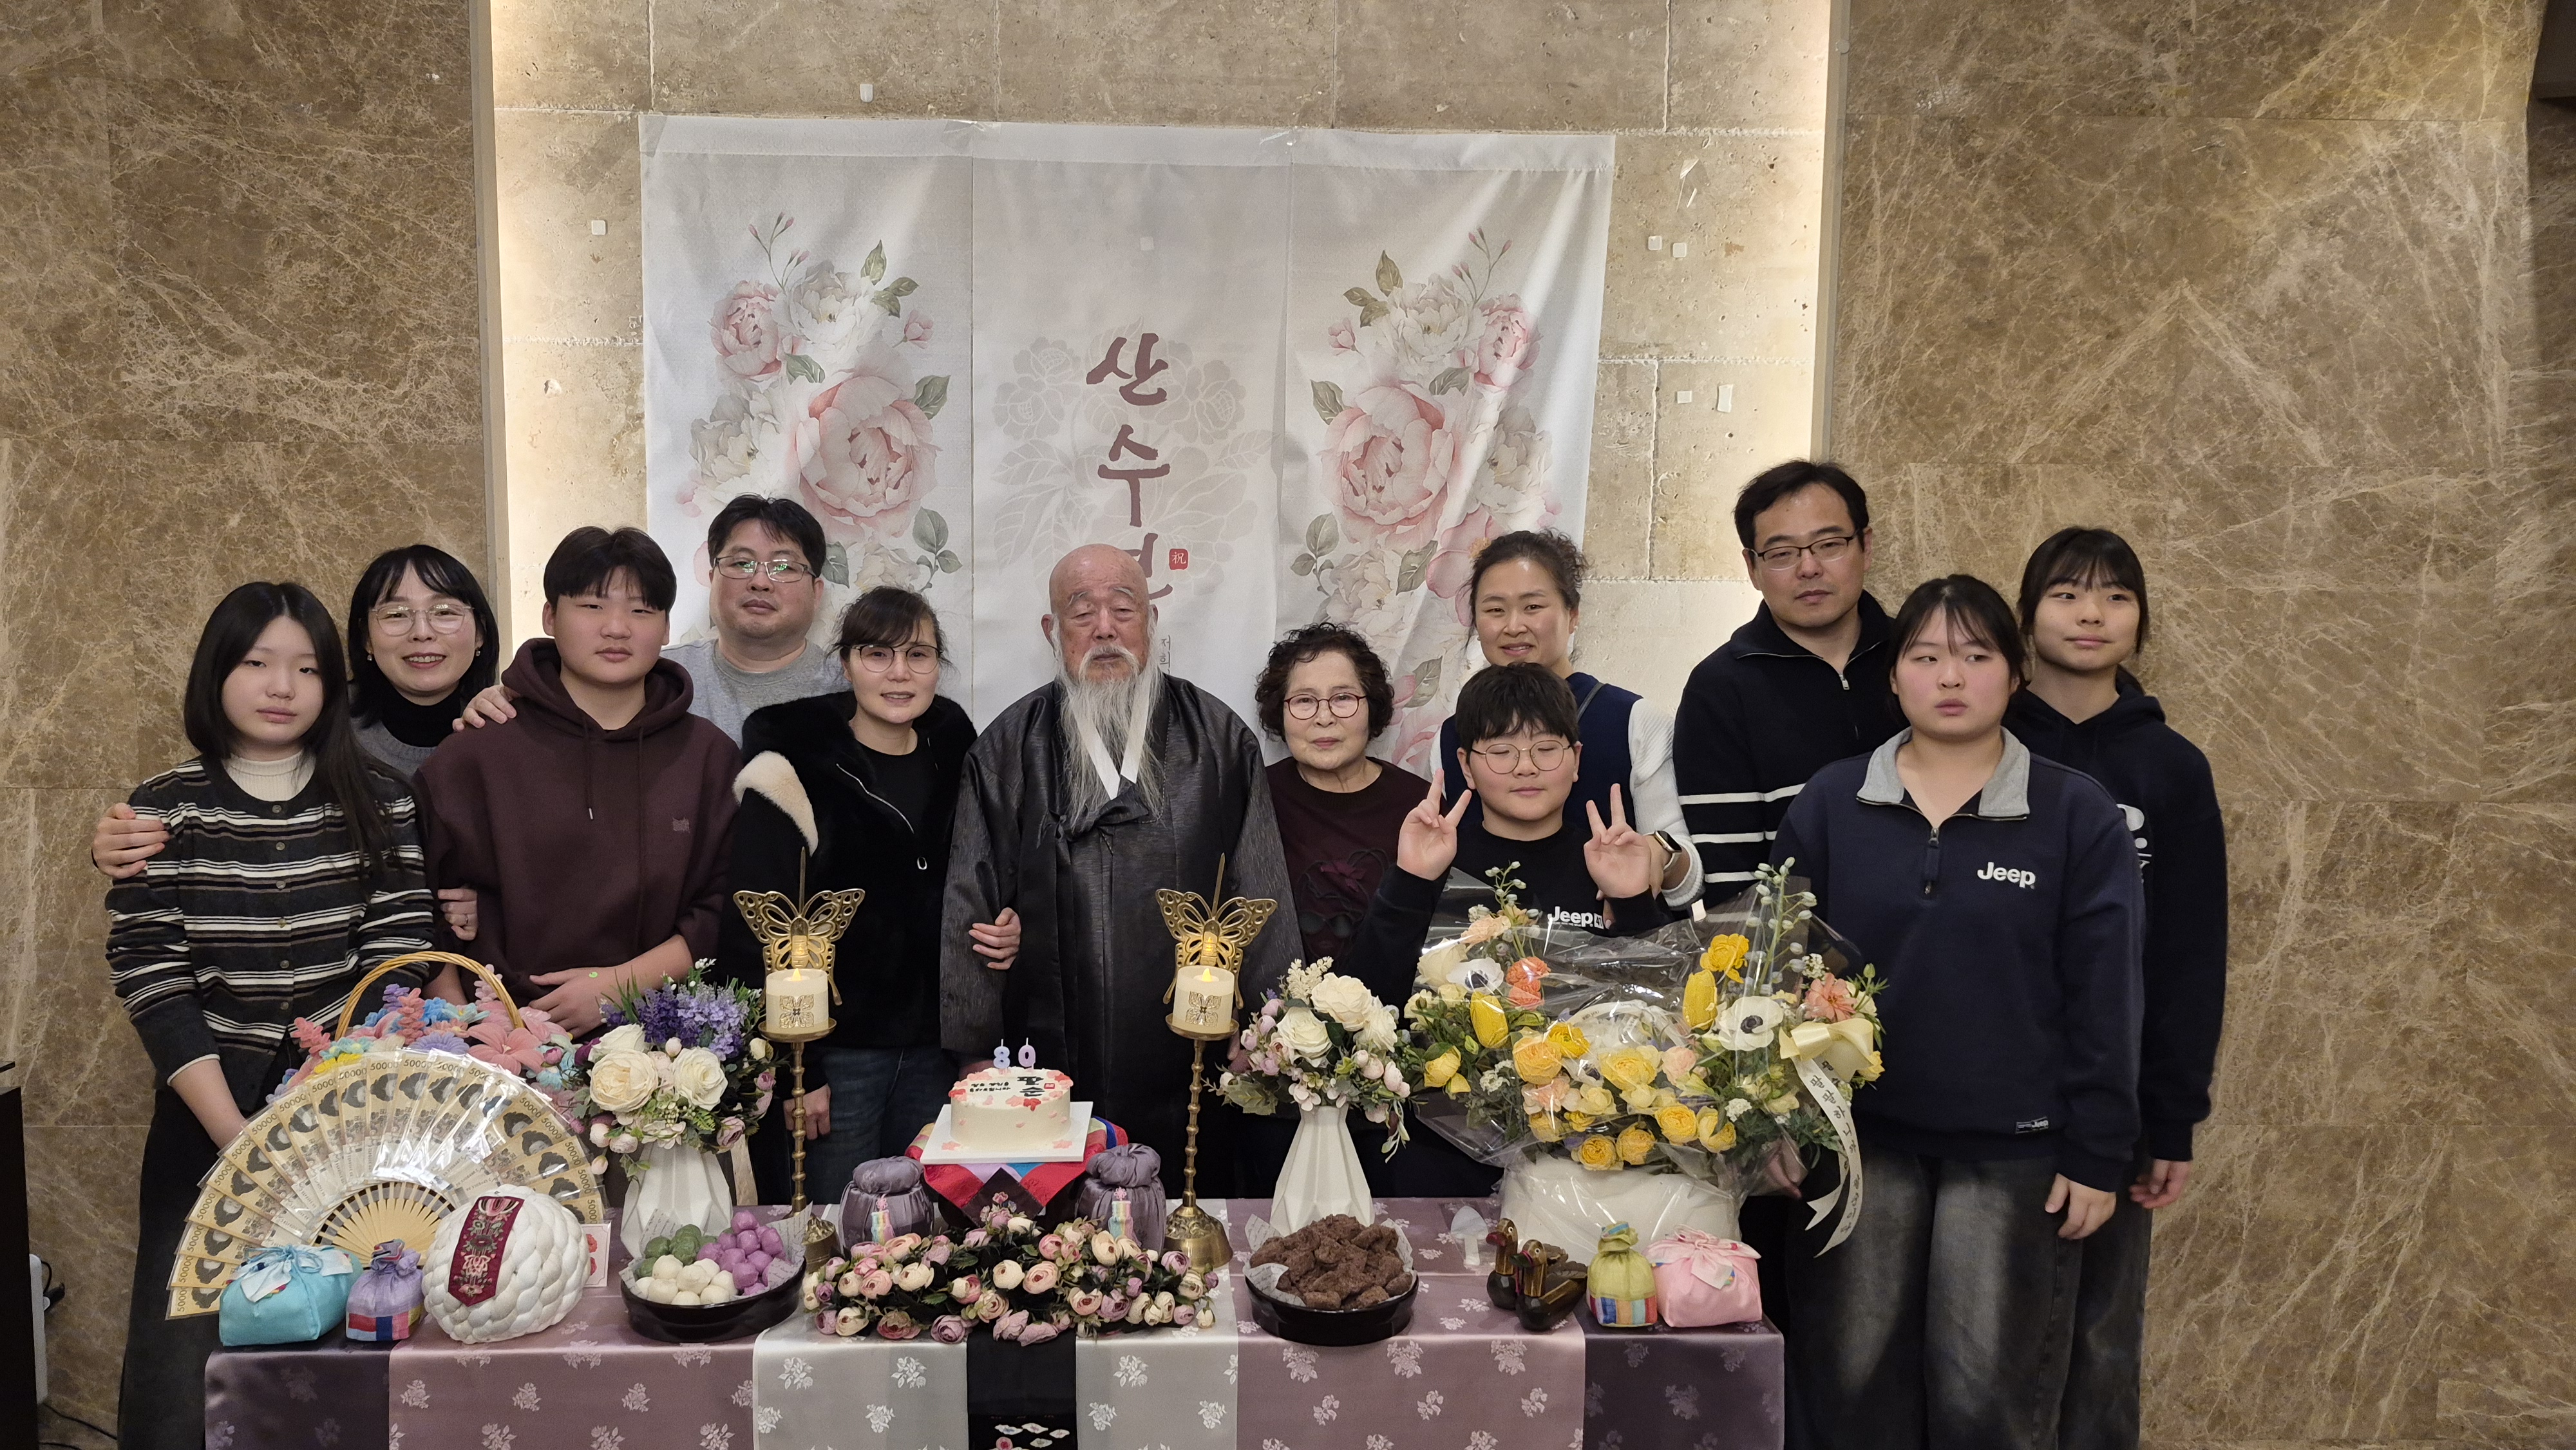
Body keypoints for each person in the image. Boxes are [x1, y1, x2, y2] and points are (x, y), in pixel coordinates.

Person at [1770, 575, 2143, 1450]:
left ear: (2015, 673)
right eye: (1926, 655)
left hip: (2014, 1154)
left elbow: (2107, 994)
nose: (1949, 676)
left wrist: (2098, 1150)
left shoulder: (2075, 813)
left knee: (1988, 1402)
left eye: (1975, 656)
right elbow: (1777, 973)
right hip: (1859, 1147)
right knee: (1852, 1389)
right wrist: (1777, 1121)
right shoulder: (1832, 802)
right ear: (1894, 675)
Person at [107, 583, 435, 1450]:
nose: (281, 686)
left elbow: (398, 959)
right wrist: (237, 1137)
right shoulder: (161, 810)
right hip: (205, 1112)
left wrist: (323, 1107)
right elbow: (152, 974)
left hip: (350, 1115)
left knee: (355, 1342)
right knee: (186, 1353)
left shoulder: (383, 798)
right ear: (217, 672)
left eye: (307, 668)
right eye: (257, 663)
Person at [941, 544, 1298, 1196]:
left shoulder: (1218, 739)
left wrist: (1270, 1023)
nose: (1104, 628)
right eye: (1082, 612)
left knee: (1188, 1198)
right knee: (1060, 1224)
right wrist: (973, 1050)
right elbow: (974, 897)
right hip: (1047, 1039)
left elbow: (1261, 885)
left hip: (1190, 1039)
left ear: (1150, 622)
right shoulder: (1009, 745)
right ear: (1052, 630)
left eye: (1123, 609)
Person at [2004, 529, 2226, 1450]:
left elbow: (2189, 953)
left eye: (2115, 596)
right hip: (1992, 1092)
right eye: (2066, 594)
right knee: (1992, 1341)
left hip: (2116, 1102)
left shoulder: (2171, 767)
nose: (2090, 613)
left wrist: (2171, 1117)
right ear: (2026, 617)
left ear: (2141, 622)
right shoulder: (1983, 743)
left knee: (2100, 1337)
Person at [1345, 661, 1672, 1196]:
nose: (1526, 768)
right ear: (1466, 766)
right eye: (1501, 751)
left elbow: (1655, 1016)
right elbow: (1368, 1004)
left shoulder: (1607, 863)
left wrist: (1635, 902)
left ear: (1576, 760)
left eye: (1546, 749)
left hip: (1586, 1157)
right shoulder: (1435, 860)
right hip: (1441, 1155)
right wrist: (1409, 882)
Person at [718, 587, 1001, 1202]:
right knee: (833, 1224)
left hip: (935, 1050)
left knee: (923, 1227)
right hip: (836, 1059)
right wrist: (797, 1073)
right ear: (846, 664)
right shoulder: (794, 769)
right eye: (878, 654)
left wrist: (1006, 926)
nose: (899, 673)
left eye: (918, 655)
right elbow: (756, 932)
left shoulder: (959, 759)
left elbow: (986, 876)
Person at [411, 527, 740, 1034]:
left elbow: (731, 903)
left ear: (666, 627)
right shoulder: (477, 752)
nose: (617, 628)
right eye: (591, 606)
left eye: (641, 610)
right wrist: (464, 1039)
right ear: (550, 617)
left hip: (674, 1044)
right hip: (502, 1040)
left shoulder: (708, 757)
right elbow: (415, 908)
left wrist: (622, 985)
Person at [85, 543, 502, 867]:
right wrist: (122, 844)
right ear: (365, 639)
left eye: (444, 612)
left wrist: (483, 896)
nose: (422, 632)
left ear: (481, 632)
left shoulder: (507, 722)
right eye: (396, 615)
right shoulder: (315, 717)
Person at [1437, 530, 1698, 909]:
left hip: (1618, 940)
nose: (1513, 626)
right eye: (1495, 610)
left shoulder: (1633, 720)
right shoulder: (1452, 735)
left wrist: (1659, 855)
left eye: (1533, 607)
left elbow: (1689, 879)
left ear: (1572, 615)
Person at [1674, 460, 1900, 897]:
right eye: (1782, 554)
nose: (1809, 568)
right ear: (1752, 567)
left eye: (1829, 545)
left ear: (1866, 546)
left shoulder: (1919, 660)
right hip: (1795, 936)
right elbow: (1731, 879)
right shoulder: (1720, 688)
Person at [461, 494, 847, 743]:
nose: (760, 581)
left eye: (783, 567)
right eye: (741, 563)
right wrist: (506, 702)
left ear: (817, 591)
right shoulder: (655, 676)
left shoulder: (854, 687)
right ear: (712, 578)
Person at [1254, 623, 1430, 965]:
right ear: (1281, 712)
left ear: (1371, 706)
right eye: (1304, 701)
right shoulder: (1254, 798)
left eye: (1343, 698)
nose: (1324, 718)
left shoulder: (1418, 805)